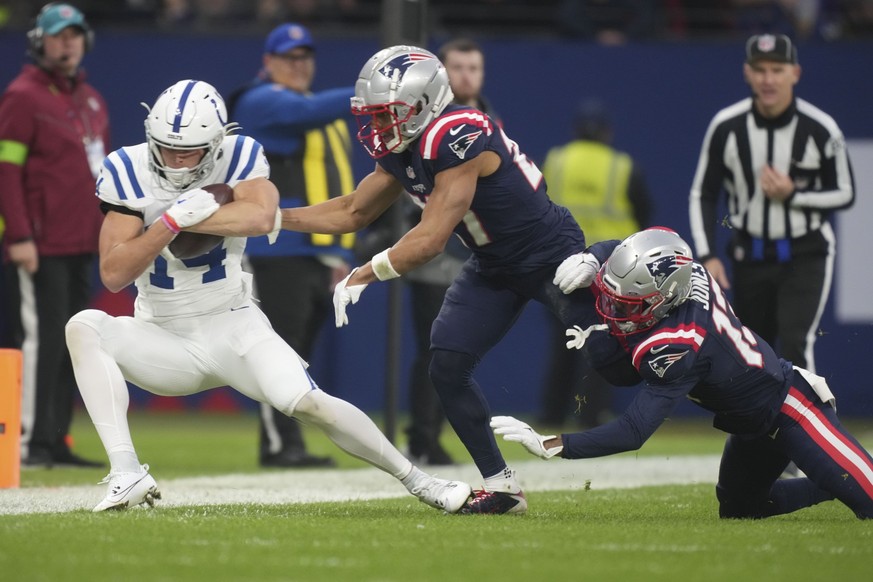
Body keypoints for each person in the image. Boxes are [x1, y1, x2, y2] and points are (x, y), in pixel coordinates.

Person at [63, 79, 473, 514]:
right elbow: (113, 273)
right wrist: (170, 222)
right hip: (161, 338)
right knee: (84, 326)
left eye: (191, 151)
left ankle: (420, 481)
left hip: (233, 324)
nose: (177, 160)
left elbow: (261, 216)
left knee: (311, 404)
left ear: (218, 143)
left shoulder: (240, 154)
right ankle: (127, 473)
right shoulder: (126, 169)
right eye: (167, 148)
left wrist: (200, 217)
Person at [278, 46, 622, 514]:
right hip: (493, 263)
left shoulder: (458, 133)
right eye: (374, 116)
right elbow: (352, 210)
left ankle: (724, 381)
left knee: (615, 355)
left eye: (386, 115)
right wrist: (274, 218)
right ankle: (503, 488)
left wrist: (364, 273)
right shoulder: (404, 146)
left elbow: (430, 239)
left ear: (422, 104)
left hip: (549, 254)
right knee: (446, 364)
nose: (378, 127)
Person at [492, 227, 873, 520]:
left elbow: (634, 431)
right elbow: (632, 246)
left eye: (628, 305)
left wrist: (554, 444)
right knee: (741, 508)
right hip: (752, 423)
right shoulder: (680, 271)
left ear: (664, 299)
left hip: (793, 409)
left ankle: (844, 474)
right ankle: (833, 481)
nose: (613, 312)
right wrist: (595, 256)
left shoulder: (678, 343)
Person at [228, 22, 356, 468]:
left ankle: (290, 443)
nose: (298, 66)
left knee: (297, 352)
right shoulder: (261, 100)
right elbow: (309, 114)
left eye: (305, 58)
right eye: (288, 58)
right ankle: (280, 445)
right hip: (274, 249)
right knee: (278, 349)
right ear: (268, 62)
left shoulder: (311, 107)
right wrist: (373, 93)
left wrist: (336, 251)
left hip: (312, 249)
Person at [689, 34, 854, 375]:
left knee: (796, 343)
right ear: (747, 73)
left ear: (795, 73)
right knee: (751, 349)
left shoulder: (821, 128)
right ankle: (752, 430)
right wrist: (708, 256)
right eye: (760, 69)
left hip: (805, 252)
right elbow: (703, 193)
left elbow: (846, 192)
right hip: (750, 252)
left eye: (777, 70)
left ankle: (809, 425)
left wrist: (793, 194)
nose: (768, 79)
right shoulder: (726, 126)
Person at [0, 3, 109, 468]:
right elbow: (5, 171)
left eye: (74, 35)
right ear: (38, 42)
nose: (67, 42)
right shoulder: (23, 96)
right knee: (39, 342)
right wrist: (19, 236)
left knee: (73, 342)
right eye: (57, 35)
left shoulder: (90, 101)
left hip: (83, 243)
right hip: (39, 246)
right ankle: (28, 441)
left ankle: (56, 439)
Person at [538, 99, 652, 429]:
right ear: (607, 132)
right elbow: (643, 213)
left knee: (563, 346)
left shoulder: (556, 160)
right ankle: (590, 416)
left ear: (575, 130)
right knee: (603, 344)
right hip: (609, 272)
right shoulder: (622, 166)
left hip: (561, 266)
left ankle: (551, 414)